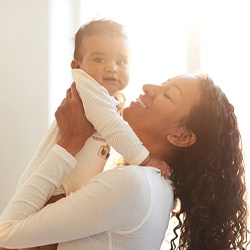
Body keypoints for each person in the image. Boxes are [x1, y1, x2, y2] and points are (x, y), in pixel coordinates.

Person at [0, 73, 248, 249]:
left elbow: (5, 233)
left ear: (180, 136)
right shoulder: (157, 187)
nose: (148, 86)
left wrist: (69, 141)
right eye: (161, 83)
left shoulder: (133, 184)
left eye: (168, 94)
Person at [17, 19, 169, 199]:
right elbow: (113, 127)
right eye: (100, 59)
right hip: (52, 187)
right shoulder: (87, 88)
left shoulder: (106, 98)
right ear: (77, 67)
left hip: (64, 184)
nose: (112, 68)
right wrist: (146, 160)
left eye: (121, 62)